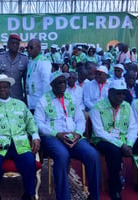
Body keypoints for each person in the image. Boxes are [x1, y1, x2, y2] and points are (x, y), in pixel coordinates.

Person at [34, 71, 100, 200]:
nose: (63, 85)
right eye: (60, 82)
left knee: (92, 154)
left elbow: (80, 120)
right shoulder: (43, 101)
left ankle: (94, 197)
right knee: (62, 155)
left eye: (64, 82)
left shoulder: (71, 98)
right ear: (52, 85)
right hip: (52, 137)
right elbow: (38, 124)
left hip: (73, 136)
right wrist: (56, 134)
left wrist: (78, 134)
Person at [0, 74, 40, 200]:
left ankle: (28, 194)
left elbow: (31, 122)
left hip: (20, 144)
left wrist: (35, 136)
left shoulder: (20, 105)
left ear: (9, 88)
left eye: (5, 87)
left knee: (29, 162)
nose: (2, 89)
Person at [89, 79, 138, 200]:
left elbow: (133, 127)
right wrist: (122, 145)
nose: (122, 96)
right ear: (110, 92)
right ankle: (114, 187)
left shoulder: (126, 106)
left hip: (124, 139)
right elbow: (99, 132)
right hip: (102, 140)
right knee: (114, 151)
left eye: (124, 93)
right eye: (118, 93)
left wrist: (130, 144)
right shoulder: (97, 107)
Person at [0, 34, 28, 102]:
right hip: (1, 95)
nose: (15, 45)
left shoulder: (24, 59)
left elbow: (26, 80)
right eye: (12, 43)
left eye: (17, 44)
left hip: (17, 95)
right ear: (8, 44)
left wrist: (26, 97)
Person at [26, 38, 51, 113]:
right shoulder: (31, 62)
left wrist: (44, 102)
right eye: (27, 48)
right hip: (30, 102)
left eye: (31, 47)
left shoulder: (43, 62)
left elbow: (46, 83)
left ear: (39, 48)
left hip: (40, 103)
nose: (28, 50)